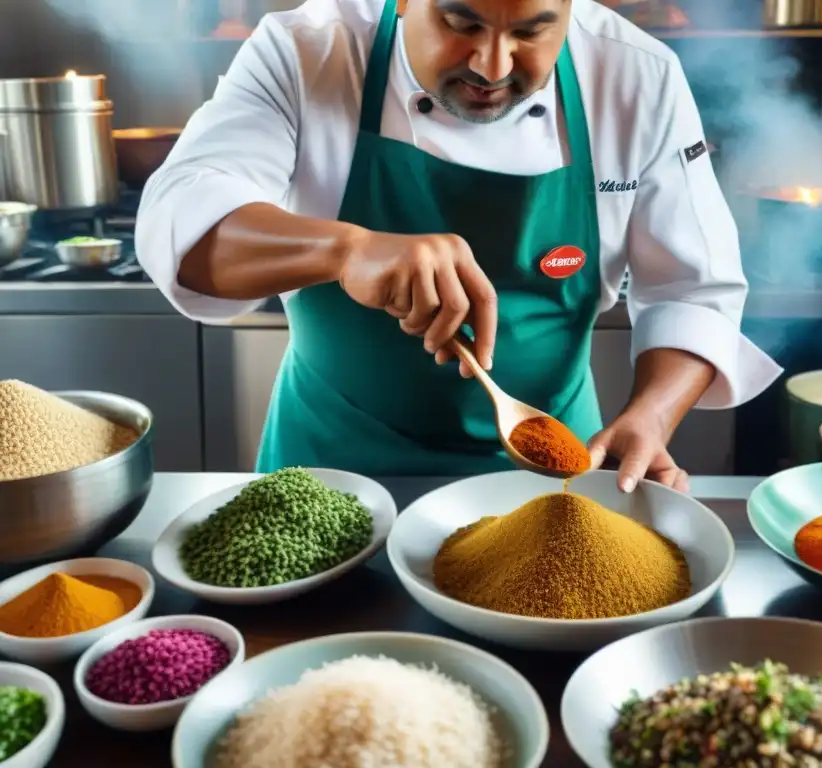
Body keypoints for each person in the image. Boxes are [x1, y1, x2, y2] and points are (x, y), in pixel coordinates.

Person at [136, 0, 782, 492]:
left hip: (554, 461)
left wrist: (652, 417)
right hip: (332, 460)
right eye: (461, 22)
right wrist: (344, 249)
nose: (491, 65)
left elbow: (693, 288)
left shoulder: (635, 75)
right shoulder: (309, 49)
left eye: (531, 31)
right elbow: (182, 222)